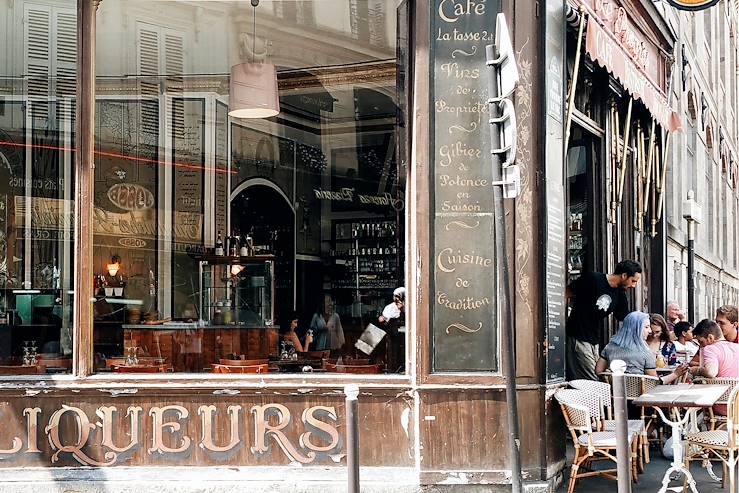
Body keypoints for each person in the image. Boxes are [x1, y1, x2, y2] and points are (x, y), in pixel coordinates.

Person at [566, 259, 642, 381]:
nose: (633, 285)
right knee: (592, 379)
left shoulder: (619, 293)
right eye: (633, 281)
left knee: (599, 376)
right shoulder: (593, 279)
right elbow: (566, 293)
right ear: (624, 275)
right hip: (577, 335)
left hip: (594, 340)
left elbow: (624, 317)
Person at [595, 311, 687, 384]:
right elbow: (654, 382)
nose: (650, 331)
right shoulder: (646, 353)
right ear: (637, 329)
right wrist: (675, 374)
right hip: (642, 402)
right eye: (646, 327)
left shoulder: (610, 347)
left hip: (614, 399)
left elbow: (598, 371)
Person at [689, 319, 739, 416]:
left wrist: (697, 370)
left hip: (720, 404)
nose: (701, 346)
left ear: (710, 337)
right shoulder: (737, 347)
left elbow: (711, 372)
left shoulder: (710, 348)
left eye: (701, 342)